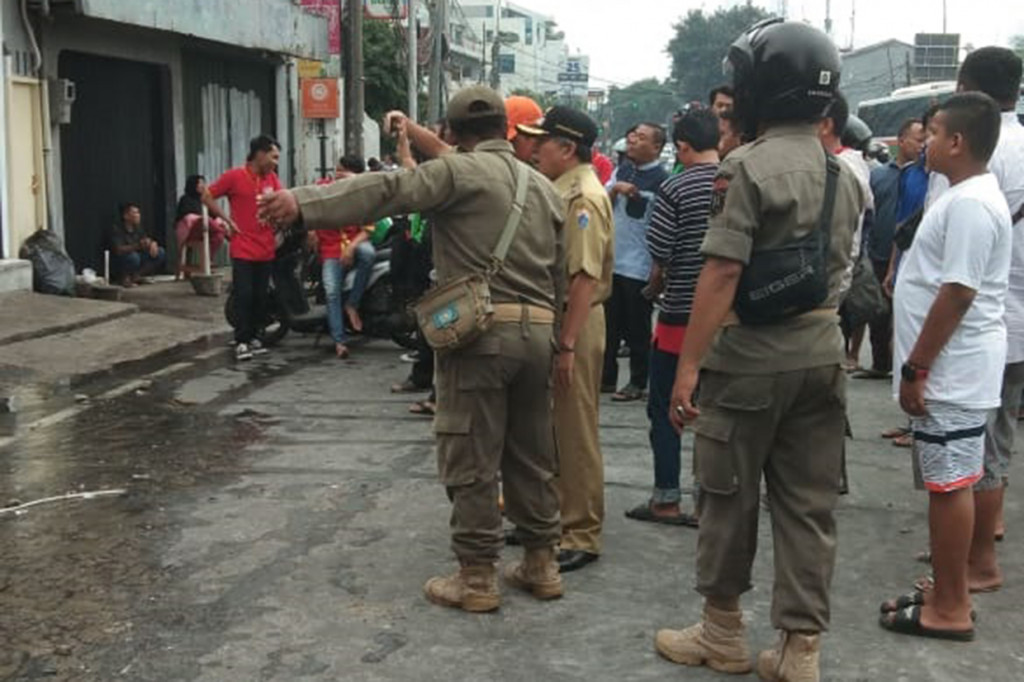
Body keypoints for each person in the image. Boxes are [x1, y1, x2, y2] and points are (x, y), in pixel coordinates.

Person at [259, 86, 567, 613]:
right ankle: (541, 563)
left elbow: (387, 191)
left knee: (470, 452)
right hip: (538, 331)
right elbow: (559, 274)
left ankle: (475, 579)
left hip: (482, 334)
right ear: (504, 129)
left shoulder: (457, 173)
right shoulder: (542, 188)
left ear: (453, 133)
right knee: (532, 455)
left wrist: (301, 204)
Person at [654, 19, 864, 680]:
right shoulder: (845, 174)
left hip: (748, 361)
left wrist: (688, 366)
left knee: (726, 495)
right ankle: (801, 650)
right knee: (808, 504)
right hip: (822, 356)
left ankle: (721, 633)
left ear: (759, 89)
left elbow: (720, 273)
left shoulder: (742, 167)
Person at [878, 92, 1011, 642]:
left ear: (957, 142)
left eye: (932, 132)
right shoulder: (962, 196)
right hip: (951, 372)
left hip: (952, 374)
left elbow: (957, 292)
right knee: (947, 482)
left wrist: (917, 367)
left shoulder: (972, 205)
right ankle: (945, 586)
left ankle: (952, 607)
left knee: (951, 487)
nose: (924, 140)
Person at [517, 107, 614, 573]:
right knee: (551, 429)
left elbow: (583, 279)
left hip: (575, 320)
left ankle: (581, 531)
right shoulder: (562, 189)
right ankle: (553, 518)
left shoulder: (583, 199)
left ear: (567, 148)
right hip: (560, 320)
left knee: (574, 432)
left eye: (543, 142)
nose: (534, 150)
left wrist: (569, 344)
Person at [625, 108, 719, 528]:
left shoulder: (675, 187)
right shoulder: (737, 183)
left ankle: (666, 498)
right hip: (726, 320)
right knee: (715, 413)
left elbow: (659, 249)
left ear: (681, 147)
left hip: (680, 316)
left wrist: (655, 283)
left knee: (666, 409)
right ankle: (710, 502)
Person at [603, 122, 669, 401]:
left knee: (638, 328)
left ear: (656, 147)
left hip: (640, 265)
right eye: (632, 136)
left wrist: (658, 268)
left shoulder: (662, 180)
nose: (632, 141)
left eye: (641, 138)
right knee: (608, 325)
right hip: (614, 260)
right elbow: (603, 200)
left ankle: (638, 381)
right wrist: (616, 188)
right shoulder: (623, 169)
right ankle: (605, 378)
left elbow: (662, 224)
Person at [203, 134, 282, 362]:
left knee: (261, 296)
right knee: (244, 295)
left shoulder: (272, 179)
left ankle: (256, 336)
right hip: (243, 247)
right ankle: (242, 340)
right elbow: (208, 196)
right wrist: (226, 220)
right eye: (273, 157)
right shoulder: (234, 176)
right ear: (259, 154)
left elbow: (280, 200)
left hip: (266, 247)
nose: (275, 162)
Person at [865, 119, 926, 378]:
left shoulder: (925, 177)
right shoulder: (878, 175)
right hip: (880, 252)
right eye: (918, 139)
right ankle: (881, 364)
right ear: (901, 141)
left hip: (909, 253)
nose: (923, 144)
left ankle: (904, 366)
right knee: (878, 313)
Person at [310, 155, 375, 358]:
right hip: (330, 250)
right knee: (331, 292)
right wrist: (310, 230)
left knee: (369, 253)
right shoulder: (322, 188)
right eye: (337, 170)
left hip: (354, 245)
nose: (338, 175)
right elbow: (307, 207)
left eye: (343, 172)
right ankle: (339, 342)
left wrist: (350, 248)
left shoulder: (361, 195)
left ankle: (352, 304)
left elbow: (368, 229)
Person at [175, 175, 228, 266]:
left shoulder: (204, 200)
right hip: (190, 231)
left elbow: (214, 215)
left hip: (206, 230)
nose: (203, 186)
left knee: (219, 236)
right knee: (207, 221)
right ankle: (227, 233)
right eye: (200, 183)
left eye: (204, 183)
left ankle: (208, 259)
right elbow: (187, 217)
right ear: (194, 185)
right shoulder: (185, 199)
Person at [110, 202, 166, 287]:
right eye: (134, 213)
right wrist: (138, 246)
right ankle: (124, 278)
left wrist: (152, 243)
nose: (138, 215)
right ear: (126, 216)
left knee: (160, 252)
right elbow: (118, 249)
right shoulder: (117, 229)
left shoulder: (138, 228)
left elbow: (146, 239)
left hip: (137, 256)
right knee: (133, 257)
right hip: (122, 260)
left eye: (138, 213)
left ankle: (136, 276)